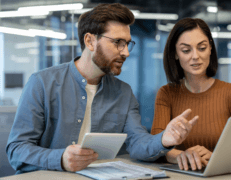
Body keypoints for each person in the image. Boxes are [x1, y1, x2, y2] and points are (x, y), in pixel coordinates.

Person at [6, 3, 199, 174]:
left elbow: (137, 143)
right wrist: (60, 159)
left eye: (127, 44)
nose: (125, 52)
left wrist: (164, 139)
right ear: (90, 41)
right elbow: (16, 150)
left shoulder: (123, 92)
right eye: (117, 43)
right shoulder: (42, 83)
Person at [151, 18, 231, 171]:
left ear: (210, 48)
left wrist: (215, 156)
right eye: (186, 50)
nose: (195, 56)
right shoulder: (167, 94)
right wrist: (183, 156)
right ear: (176, 54)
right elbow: (156, 146)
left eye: (202, 48)